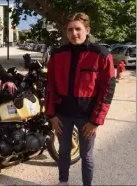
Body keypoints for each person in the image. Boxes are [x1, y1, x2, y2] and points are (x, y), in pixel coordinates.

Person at [45, 12, 116, 186]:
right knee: (63, 151)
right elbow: (50, 87)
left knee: (87, 156)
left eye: (78, 29)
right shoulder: (57, 54)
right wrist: (52, 115)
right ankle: (63, 182)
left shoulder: (101, 55)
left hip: (87, 118)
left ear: (87, 30)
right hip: (62, 116)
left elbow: (107, 90)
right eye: (70, 30)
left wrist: (96, 121)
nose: (74, 33)